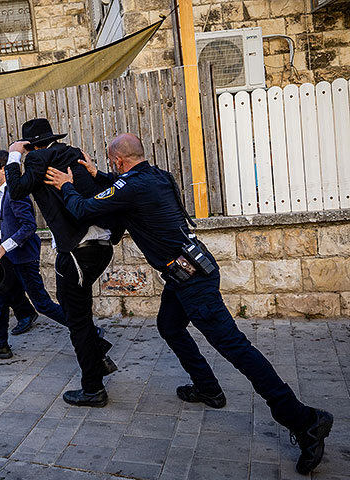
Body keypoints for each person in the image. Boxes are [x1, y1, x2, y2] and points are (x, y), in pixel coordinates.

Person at [45, 133, 333, 475]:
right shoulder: (158, 176)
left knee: (235, 347)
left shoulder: (131, 186)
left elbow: (83, 208)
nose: (111, 169)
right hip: (188, 271)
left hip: (192, 280)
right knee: (169, 325)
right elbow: (124, 190)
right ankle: (208, 388)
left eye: (111, 165)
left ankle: (304, 420)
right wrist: (99, 177)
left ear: (119, 161)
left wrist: (66, 184)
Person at [5, 118, 118, 408]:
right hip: (101, 244)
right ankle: (98, 354)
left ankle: (93, 389)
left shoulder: (38, 158)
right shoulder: (74, 152)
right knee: (73, 308)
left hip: (76, 250)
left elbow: (16, 189)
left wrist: (14, 155)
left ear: (32, 145)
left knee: (77, 320)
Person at [0, 150, 66, 359]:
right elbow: (14, 223)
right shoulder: (2, 193)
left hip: (24, 259)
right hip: (11, 259)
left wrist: (3, 247)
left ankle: (86, 331)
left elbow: (29, 227)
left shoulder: (15, 194)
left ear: (3, 171)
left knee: (42, 303)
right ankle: (0, 345)